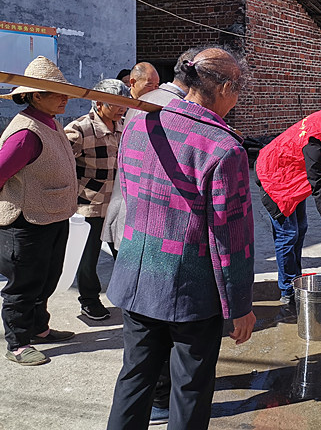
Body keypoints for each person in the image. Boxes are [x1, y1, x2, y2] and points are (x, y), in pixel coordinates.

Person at [106, 47, 255, 429]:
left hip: (138, 277)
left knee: (134, 378)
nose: (237, 99)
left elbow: (128, 190)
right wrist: (240, 304)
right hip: (190, 291)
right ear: (224, 88)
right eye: (238, 90)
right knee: (188, 390)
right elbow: (230, 239)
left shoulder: (139, 122)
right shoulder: (224, 148)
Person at [102, 48, 202, 425]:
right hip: (154, 232)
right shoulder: (173, 112)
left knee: (138, 349)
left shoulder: (144, 106)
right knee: (158, 327)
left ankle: (147, 401)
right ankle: (161, 399)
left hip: (130, 228)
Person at [0, 56, 78, 366]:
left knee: (46, 279)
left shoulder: (51, 123)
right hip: (26, 222)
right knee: (24, 284)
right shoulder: (25, 134)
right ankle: (17, 342)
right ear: (36, 96)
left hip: (51, 217)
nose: (65, 98)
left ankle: (38, 328)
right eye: (56, 93)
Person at [255, 103, 321, 304]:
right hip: (276, 179)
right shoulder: (315, 143)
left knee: (301, 227)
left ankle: (295, 279)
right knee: (288, 233)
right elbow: (318, 188)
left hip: (294, 177)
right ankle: (287, 291)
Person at [64, 79, 129, 321]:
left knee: (124, 254)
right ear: (99, 103)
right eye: (116, 104)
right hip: (89, 205)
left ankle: (127, 296)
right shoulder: (80, 129)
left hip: (120, 204)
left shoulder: (124, 126)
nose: (121, 109)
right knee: (88, 257)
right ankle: (89, 301)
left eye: (124, 104)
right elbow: (61, 162)